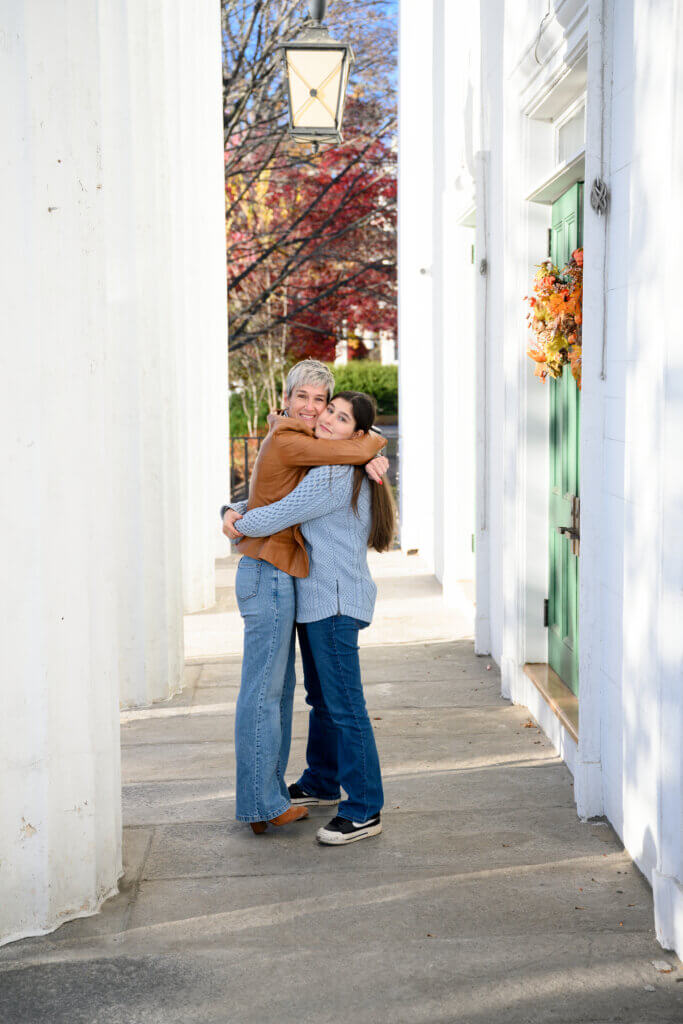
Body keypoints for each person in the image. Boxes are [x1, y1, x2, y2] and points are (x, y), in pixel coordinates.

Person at [221, 361, 388, 834]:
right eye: (320, 407)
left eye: (336, 414)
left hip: (333, 601)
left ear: (356, 433)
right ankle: (321, 779)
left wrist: (238, 527)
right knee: (322, 699)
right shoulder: (327, 457)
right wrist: (234, 507)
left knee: (344, 706)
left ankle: (364, 807)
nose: (323, 416)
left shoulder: (335, 469)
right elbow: (274, 489)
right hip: (318, 599)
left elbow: (283, 511)